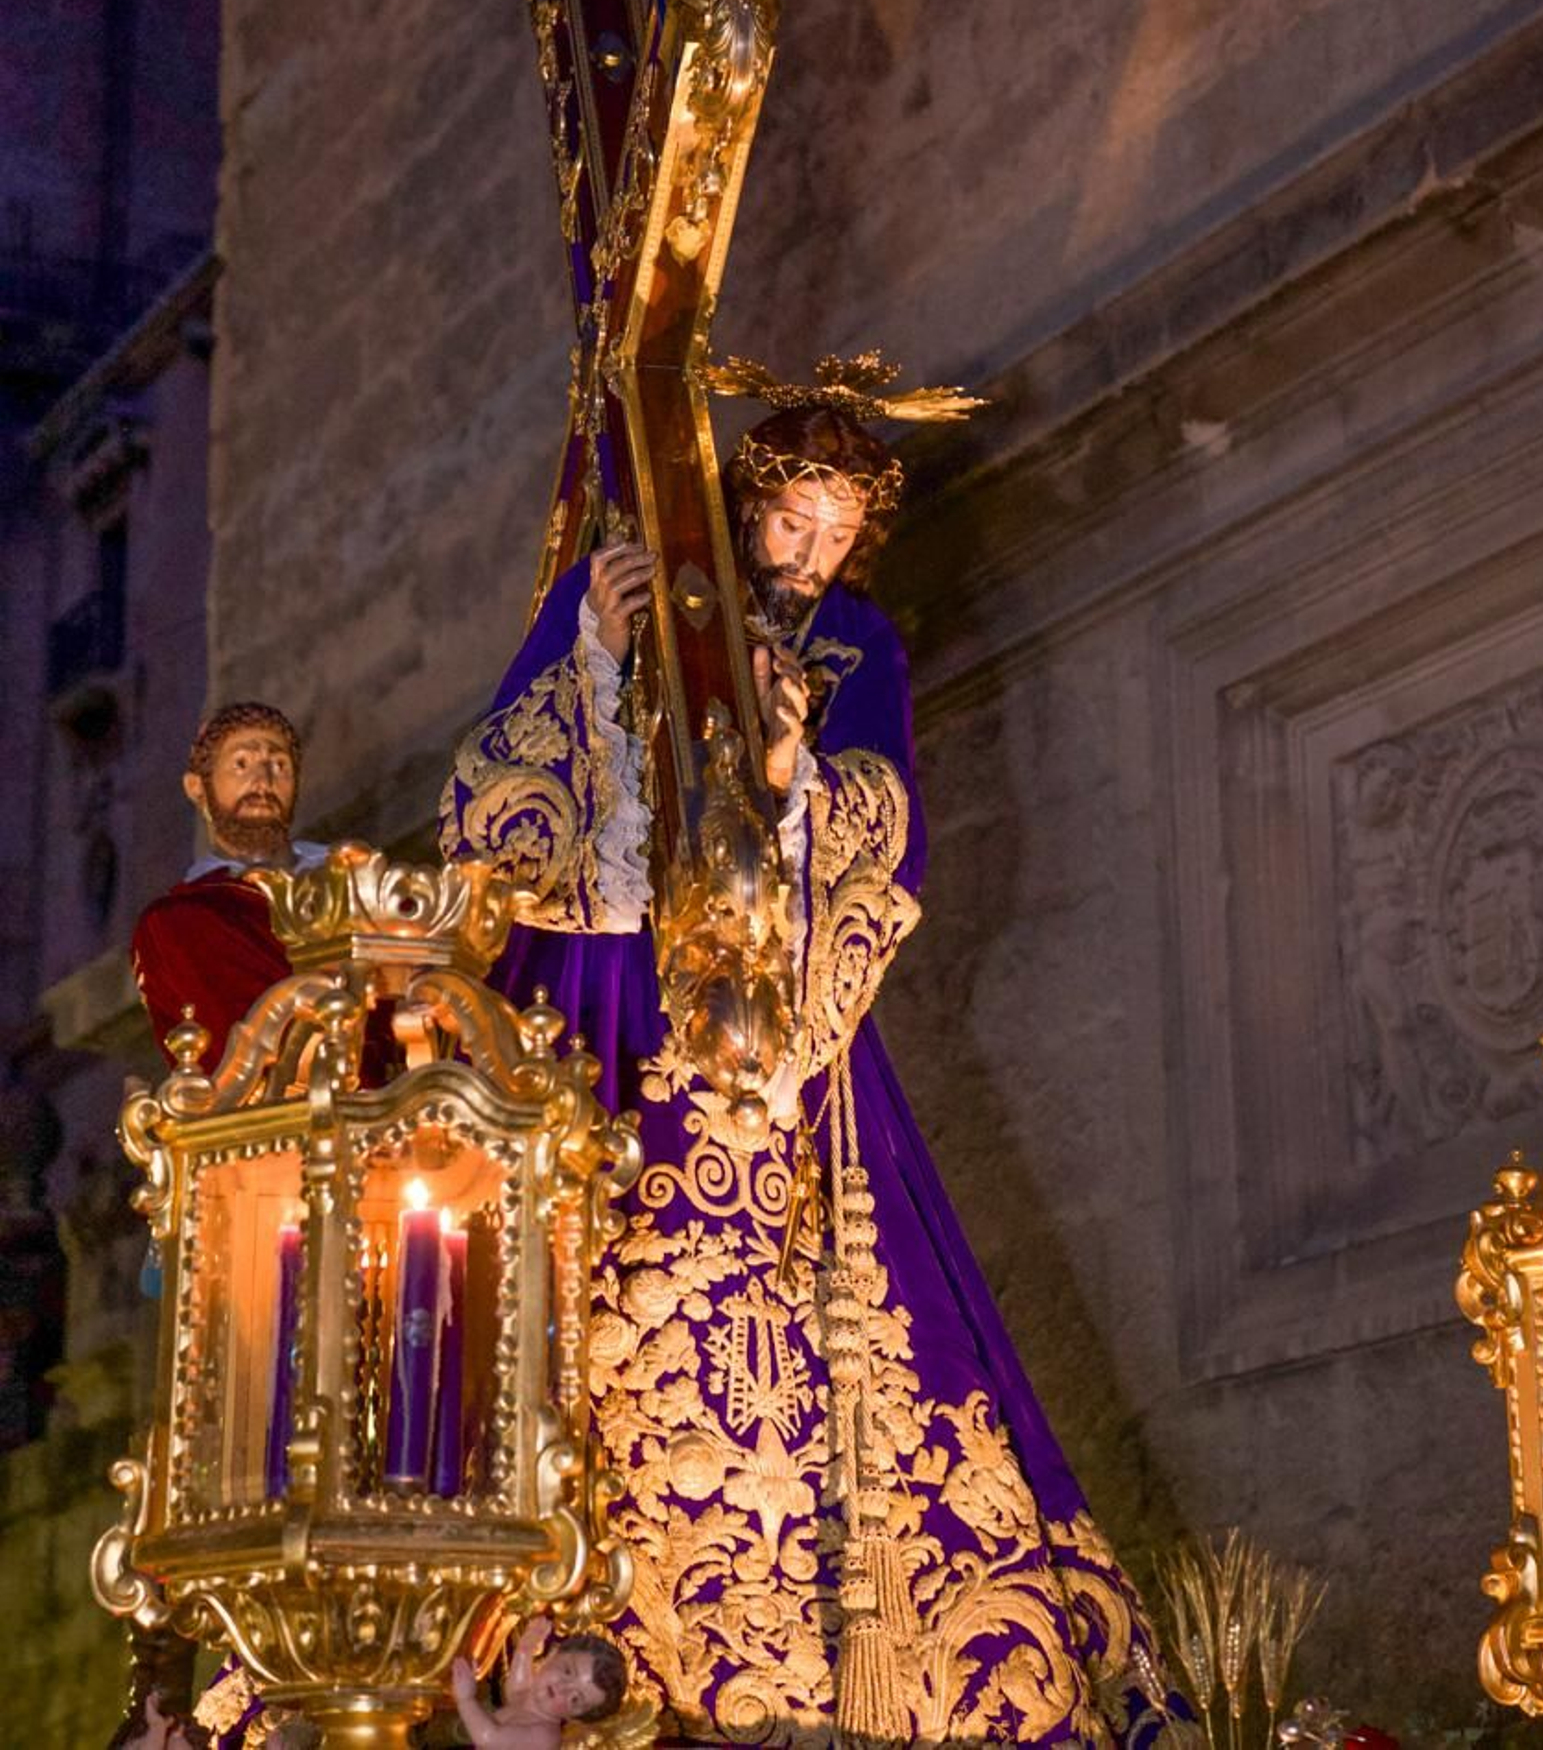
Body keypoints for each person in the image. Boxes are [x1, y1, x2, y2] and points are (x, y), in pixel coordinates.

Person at [442, 399, 1194, 1748]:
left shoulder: (859, 641)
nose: (811, 552)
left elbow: (886, 827)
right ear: (744, 504)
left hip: (766, 1028)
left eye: (840, 534)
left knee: (824, 1323)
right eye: (794, 521)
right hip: (602, 999)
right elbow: (488, 815)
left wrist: (792, 767)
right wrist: (598, 655)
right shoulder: (613, 583)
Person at [130, 702, 325, 1068]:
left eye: (279, 766)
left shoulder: (350, 881)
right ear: (197, 787)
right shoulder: (181, 922)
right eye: (242, 764)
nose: (263, 781)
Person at [451, 1617, 626, 1748]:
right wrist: (525, 1649)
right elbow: (516, 1692)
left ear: (575, 1718)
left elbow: (489, 1738)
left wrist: (466, 1699)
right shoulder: (529, 1704)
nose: (563, 1689)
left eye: (575, 1699)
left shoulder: (545, 1736)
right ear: (552, 1654)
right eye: (567, 1671)